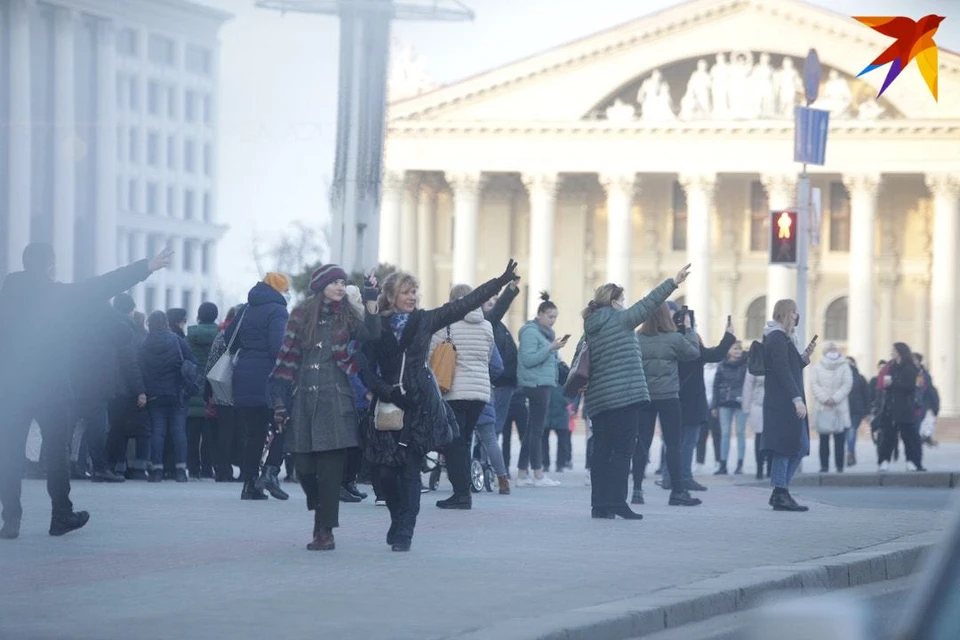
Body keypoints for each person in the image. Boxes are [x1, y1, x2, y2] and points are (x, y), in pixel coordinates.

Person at [0, 243, 172, 540]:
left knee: (9, 454)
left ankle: (11, 520)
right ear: (51, 266)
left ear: (25, 263)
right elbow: (104, 284)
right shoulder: (60, 296)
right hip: (51, 387)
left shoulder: (7, 296)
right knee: (56, 452)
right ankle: (61, 516)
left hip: (13, 388)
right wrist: (147, 267)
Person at [363, 260, 518, 552]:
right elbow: (364, 362)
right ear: (391, 295)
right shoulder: (378, 324)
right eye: (406, 292)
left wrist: (499, 282)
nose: (412, 298)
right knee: (385, 472)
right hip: (387, 404)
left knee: (409, 468)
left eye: (414, 292)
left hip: (419, 404)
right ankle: (397, 517)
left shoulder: (424, 320)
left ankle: (405, 530)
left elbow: (464, 304)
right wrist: (385, 390)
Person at [269, 265, 380, 551]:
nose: (341, 287)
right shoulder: (301, 314)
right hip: (304, 398)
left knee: (330, 470)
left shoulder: (348, 315)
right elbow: (288, 356)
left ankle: (324, 529)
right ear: (321, 287)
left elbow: (373, 334)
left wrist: (370, 297)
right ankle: (320, 507)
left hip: (337, 397)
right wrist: (280, 401)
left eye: (343, 282)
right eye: (335, 283)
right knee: (304, 467)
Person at [579, 264, 690, 520]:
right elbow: (649, 303)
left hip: (598, 400)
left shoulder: (590, 326)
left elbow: (579, 360)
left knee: (601, 451)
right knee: (623, 450)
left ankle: (599, 505)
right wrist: (674, 282)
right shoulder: (621, 319)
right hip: (624, 397)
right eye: (623, 300)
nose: (626, 304)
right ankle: (617, 502)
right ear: (615, 302)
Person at [224, 273, 291, 500]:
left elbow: (228, 337)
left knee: (254, 433)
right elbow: (277, 347)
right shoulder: (277, 310)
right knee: (284, 426)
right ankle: (270, 472)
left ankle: (249, 485)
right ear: (279, 290)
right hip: (268, 379)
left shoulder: (245, 308)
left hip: (243, 375)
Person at [432, 284, 497, 510]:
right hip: (480, 392)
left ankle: (461, 493)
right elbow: (488, 357)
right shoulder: (487, 326)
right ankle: (463, 490)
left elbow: (432, 354)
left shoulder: (446, 323)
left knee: (453, 443)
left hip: (453, 390)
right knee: (465, 439)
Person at [634, 303, 701, 506]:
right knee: (673, 444)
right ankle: (678, 492)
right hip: (669, 397)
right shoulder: (674, 338)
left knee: (642, 443)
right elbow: (693, 353)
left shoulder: (638, 338)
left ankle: (637, 490)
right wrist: (689, 328)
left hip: (645, 396)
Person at [668, 311, 735, 492]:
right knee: (689, 440)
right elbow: (714, 355)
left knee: (674, 441)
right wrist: (729, 336)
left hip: (672, 398)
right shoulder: (690, 342)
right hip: (692, 399)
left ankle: (669, 477)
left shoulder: (669, 340)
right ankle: (685, 478)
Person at [761, 299, 817, 512]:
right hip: (783, 403)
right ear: (786, 313)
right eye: (794, 312)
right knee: (786, 447)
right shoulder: (776, 337)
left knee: (798, 446)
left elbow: (790, 367)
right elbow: (782, 371)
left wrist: (804, 357)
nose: (797, 316)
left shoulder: (785, 338)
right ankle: (780, 492)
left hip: (786, 401)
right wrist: (797, 399)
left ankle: (780, 491)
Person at [139, 310, 197, 483]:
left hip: (154, 394)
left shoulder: (145, 344)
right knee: (179, 431)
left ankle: (157, 470)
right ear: (165, 323)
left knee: (158, 431)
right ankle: (180, 470)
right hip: (176, 393)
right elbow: (192, 361)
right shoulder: (176, 340)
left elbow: (140, 368)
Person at [515, 293, 565, 487]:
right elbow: (528, 359)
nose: (553, 321)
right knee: (537, 431)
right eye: (550, 316)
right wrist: (550, 349)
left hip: (542, 383)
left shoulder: (544, 334)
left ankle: (521, 474)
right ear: (540, 314)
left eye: (555, 317)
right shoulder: (530, 332)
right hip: (535, 385)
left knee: (530, 431)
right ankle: (538, 474)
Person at [107, 294, 150, 479]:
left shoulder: (106, 327)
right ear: (128, 310)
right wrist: (140, 390)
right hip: (123, 387)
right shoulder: (128, 330)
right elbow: (131, 363)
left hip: (106, 384)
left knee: (112, 427)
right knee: (120, 428)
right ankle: (113, 466)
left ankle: (113, 465)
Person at [482, 278, 521, 462]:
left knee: (493, 428)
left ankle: (486, 463)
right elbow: (500, 309)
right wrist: (510, 289)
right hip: (498, 382)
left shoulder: (496, 324)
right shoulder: (488, 320)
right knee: (493, 428)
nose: (492, 301)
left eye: (494, 298)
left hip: (505, 382)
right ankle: (487, 464)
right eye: (488, 298)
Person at [204, 306, 241, 482]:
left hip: (221, 387)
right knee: (245, 430)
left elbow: (211, 362)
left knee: (224, 430)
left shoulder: (223, 335)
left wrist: (208, 389)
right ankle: (246, 470)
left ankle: (222, 469)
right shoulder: (251, 336)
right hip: (244, 388)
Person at [876, 343, 924, 471]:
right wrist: (888, 384)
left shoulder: (910, 368)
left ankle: (911, 461)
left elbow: (910, 387)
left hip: (904, 407)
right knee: (887, 436)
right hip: (890, 407)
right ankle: (884, 461)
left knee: (908, 436)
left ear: (900, 352)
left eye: (893, 350)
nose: (891, 352)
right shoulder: (892, 366)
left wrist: (893, 383)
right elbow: (885, 383)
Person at [186, 302, 219, 479]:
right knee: (209, 434)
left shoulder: (189, 335)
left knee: (192, 433)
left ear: (199, 315)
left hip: (194, 386)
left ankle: (192, 468)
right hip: (212, 388)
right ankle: (207, 467)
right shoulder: (220, 335)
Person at [810, 342, 853, 473]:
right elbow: (814, 384)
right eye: (830, 350)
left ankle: (839, 466)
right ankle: (824, 466)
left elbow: (847, 384)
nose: (832, 352)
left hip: (839, 408)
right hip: (823, 407)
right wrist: (825, 398)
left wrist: (835, 398)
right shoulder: (817, 367)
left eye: (834, 349)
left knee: (840, 439)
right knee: (824, 440)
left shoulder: (845, 366)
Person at [712, 341, 749, 475]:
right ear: (728, 351)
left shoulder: (746, 364)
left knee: (740, 432)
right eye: (734, 348)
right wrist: (714, 406)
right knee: (725, 433)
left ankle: (740, 464)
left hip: (741, 402)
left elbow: (749, 384)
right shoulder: (721, 365)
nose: (737, 351)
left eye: (739, 349)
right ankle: (723, 465)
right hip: (724, 402)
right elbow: (716, 385)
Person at [742, 370, 769, 480]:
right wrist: (746, 407)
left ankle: (771, 468)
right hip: (758, 404)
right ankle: (759, 468)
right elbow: (748, 386)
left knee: (773, 437)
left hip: (774, 404)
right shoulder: (754, 362)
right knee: (759, 437)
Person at [845, 357, 872, 467]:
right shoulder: (840, 377)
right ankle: (849, 452)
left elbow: (867, 395)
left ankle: (850, 453)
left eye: (850, 363)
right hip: (843, 410)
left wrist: (867, 412)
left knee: (851, 432)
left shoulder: (860, 378)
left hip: (856, 410)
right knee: (846, 433)